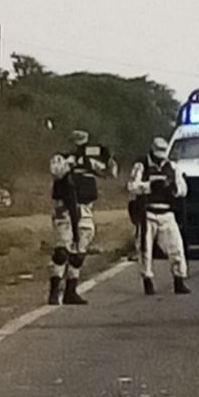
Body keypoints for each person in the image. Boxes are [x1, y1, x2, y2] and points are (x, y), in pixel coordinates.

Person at [48, 130, 118, 305]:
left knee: (79, 251)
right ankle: (54, 291)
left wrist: (107, 158)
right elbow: (56, 171)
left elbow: (110, 173)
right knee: (62, 249)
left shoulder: (90, 162)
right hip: (64, 209)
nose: (80, 145)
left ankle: (71, 291)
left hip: (86, 208)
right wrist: (72, 161)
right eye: (77, 142)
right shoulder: (61, 158)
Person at [127, 137, 191, 295]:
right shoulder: (141, 165)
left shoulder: (172, 167)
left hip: (167, 213)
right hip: (147, 213)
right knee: (144, 249)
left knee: (176, 248)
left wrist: (172, 187)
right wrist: (149, 186)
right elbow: (131, 187)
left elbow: (183, 190)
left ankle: (179, 279)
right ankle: (147, 280)